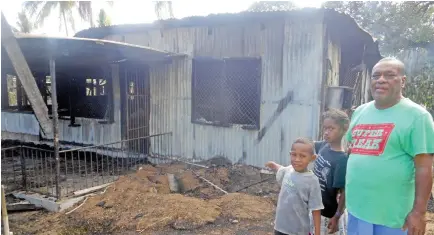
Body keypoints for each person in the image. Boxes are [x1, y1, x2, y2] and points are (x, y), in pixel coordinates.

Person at [345, 57, 434, 235]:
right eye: (376, 75)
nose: (381, 80)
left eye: (389, 75)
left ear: (403, 81)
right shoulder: (360, 112)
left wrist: (418, 212)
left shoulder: (417, 117)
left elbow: (425, 168)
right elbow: (352, 150)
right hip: (357, 211)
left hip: (392, 219)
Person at [266, 137, 323, 235]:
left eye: (302, 156)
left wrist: (317, 233)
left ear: (312, 158)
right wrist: (274, 165)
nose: (297, 159)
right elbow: (281, 169)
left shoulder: (312, 181)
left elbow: (316, 208)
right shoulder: (288, 170)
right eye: (294, 155)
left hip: (298, 230)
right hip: (280, 226)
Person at [312, 109, 349, 235]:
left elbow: (344, 191)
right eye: (325, 128)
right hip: (316, 208)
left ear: (344, 129)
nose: (326, 132)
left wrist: (337, 216)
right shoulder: (324, 146)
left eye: (331, 128)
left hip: (329, 214)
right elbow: (309, 145)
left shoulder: (341, 159)